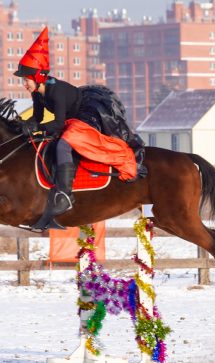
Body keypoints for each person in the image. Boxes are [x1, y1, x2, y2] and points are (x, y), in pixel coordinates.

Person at [14, 27, 139, 231]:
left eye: (25, 80)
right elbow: (39, 118)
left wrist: (39, 128)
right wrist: (28, 125)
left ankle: (64, 194)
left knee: (64, 144)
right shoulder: (38, 93)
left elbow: (57, 123)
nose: (24, 85)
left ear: (37, 77)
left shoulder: (57, 91)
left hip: (87, 115)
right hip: (68, 120)